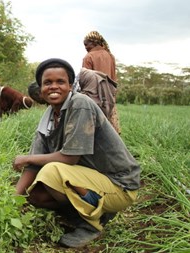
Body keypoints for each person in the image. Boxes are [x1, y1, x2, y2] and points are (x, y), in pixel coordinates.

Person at [13, 58, 141, 248]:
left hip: (119, 184)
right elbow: (32, 166)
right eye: (47, 83)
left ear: (70, 86)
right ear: (40, 89)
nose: (53, 87)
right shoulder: (49, 117)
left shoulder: (80, 104)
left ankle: (92, 224)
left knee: (51, 171)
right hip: (91, 180)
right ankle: (85, 214)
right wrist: (13, 201)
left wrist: (26, 157)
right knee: (35, 194)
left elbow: (70, 158)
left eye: (60, 82)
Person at [82, 30, 121, 134]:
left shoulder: (88, 57)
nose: (85, 47)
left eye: (86, 44)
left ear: (94, 42)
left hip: (95, 97)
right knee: (111, 129)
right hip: (110, 96)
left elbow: (86, 80)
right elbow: (113, 78)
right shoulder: (110, 56)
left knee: (93, 129)